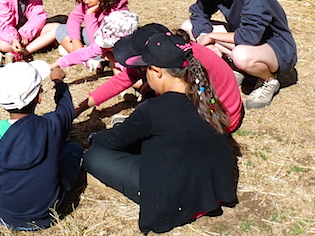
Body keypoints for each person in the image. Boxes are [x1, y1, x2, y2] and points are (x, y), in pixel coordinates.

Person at [83, 33, 238, 234]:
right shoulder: (207, 96)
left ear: (156, 71)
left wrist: (93, 138)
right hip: (212, 191)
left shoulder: (153, 110)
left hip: (175, 197)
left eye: (145, 69)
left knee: (94, 156)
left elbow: (111, 141)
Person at [182, 0, 297, 109]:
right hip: (248, 38)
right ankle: (240, 69)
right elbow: (198, 13)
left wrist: (212, 37)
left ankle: (269, 80)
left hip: (276, 47)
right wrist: (203, 36)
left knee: (241, 55)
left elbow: (250, 36)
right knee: (189, 27)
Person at [75, 23, 244, 133]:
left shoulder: (181, 69)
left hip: (219, 121)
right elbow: (122, 80)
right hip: (220, 111)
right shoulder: (175, 54)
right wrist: (80, 108)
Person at [0, 61, 83, 231]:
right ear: (39, 97)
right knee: (73, 148)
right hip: (49, 214)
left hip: (5, 216)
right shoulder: (52, 125)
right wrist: (59, 82)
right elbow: (66, 108)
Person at [52, 0, 130, 70]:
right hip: (95, 41)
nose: (86, 1)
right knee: (61, 29)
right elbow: (74, 18)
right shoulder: (88, 3)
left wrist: (90, 15)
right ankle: (86, 56)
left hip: (108, 43)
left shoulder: (117, 11)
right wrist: (76, 41)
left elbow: (98, 41)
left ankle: (88, 58)